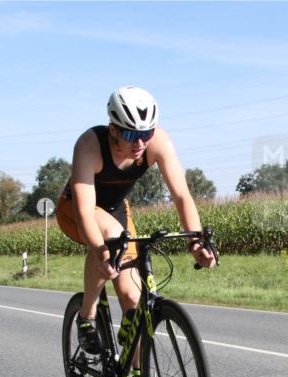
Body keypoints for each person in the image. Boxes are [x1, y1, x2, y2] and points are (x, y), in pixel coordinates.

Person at [56, 86, 215, 357]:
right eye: (131, 134)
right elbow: (85, 214)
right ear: (113, 129)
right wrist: (101, 253)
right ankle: (86, 315)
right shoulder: (89, 146)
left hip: (117, 211)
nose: (140, 143)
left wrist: (196, 242)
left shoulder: (158, 143)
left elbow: (181, 196)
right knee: (111, 237)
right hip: (75, 211)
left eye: (146, 134)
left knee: (134, 301)